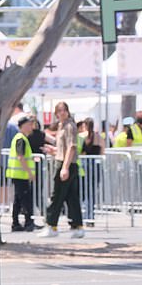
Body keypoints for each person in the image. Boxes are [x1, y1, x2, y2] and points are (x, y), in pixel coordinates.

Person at [37, 101, 84, 238]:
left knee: (56, 196)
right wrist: (54, 151)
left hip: (65, 164)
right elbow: (64, 148)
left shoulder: (69, 126)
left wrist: (65, 167)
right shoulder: (61, 126)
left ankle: (52, 225)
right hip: (64, 161)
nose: (61, 113)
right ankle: (77, 226)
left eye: (64, 110)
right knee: (71, 197)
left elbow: (72, 147)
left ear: (68, 111)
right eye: (59, 111)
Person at [7, 115, 37, 232]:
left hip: (18, 175)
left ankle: (16, 223)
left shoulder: (21, 138)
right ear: (23, 126)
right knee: (26, 199)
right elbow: (21, 157)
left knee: (18, 201)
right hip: (21, 175)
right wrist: (29, 173)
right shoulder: (21, 139)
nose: (31, 127)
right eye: (29, 125)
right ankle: (29, 222)